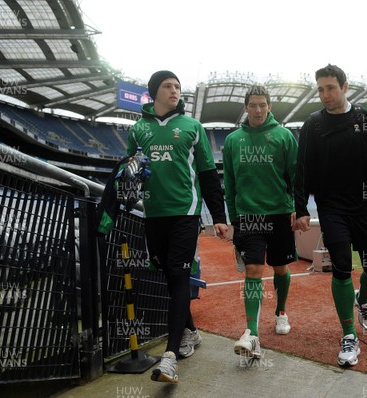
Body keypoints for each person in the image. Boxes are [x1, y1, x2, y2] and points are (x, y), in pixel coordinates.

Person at [294, 64, 367, 367]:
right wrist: (301, 208)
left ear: (345, 87)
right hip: (331, 209)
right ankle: (348, 335)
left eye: (330, 88)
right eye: (320, 89)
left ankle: (363, 298)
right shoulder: (313, 126)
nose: (325, 94)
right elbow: (302, 171)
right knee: (341, 269)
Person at [126, 70, 228, 383]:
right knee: (168, 275)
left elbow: (209, 177)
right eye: (168, 86)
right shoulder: (137, 130)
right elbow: (130, 174)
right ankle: (192, 331)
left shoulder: (192, 127)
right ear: (154, 92)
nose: (175, 91)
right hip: (152, 214)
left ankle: (170, 356)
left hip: (185, 213)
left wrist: (219, 218)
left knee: (180, 274)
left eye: (178, 87)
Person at [222, 84, 298, 358]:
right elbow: (229, 184)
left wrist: (296, 208)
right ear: (245, 107)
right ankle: (252, 333)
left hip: (279, 213)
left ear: (269, 107)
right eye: (252, 105)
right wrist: (234, 218)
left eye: (262, 105)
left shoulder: (284, 136)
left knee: (280, 268)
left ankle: (281, 311)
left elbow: (295, 176)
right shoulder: (233, 140)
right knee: (254, 270)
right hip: (248, 216)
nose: (257, 110)